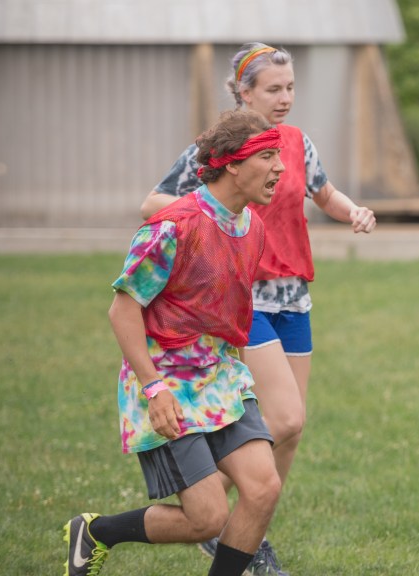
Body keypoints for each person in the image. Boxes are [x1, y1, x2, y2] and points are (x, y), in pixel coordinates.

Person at [140, 42, 377, 574]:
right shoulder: (221, 149)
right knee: (284, 415)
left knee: (291, 427)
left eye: (290, 87)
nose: (285, 98)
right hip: (246, 297)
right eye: (274, 89)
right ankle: (218, 517)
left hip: (295, 296)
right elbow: (152, 202)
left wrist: (353, 211)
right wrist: (205, 213)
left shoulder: (297, 142)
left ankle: (247, 535)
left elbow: (324, 192)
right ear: (243, 92)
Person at [64, 109, 286, 576]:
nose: (280, 168)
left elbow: (231, 315)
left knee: (263, 487)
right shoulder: (175, 225)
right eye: (268, 156)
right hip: (166, 379)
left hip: (221, 375)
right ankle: (96, 532)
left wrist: (241, 378)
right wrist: (153, 388)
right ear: (232, 164)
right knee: (206, 518)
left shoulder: (254, 228)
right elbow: (123, 310)